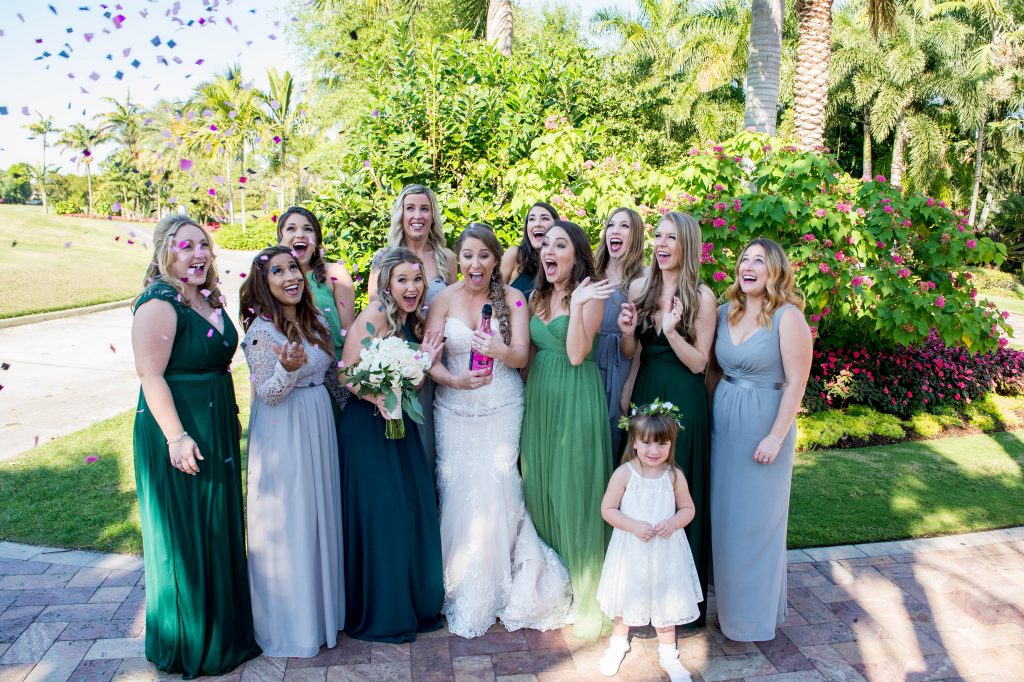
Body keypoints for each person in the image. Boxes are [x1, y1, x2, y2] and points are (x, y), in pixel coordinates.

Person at [426, 223, 572, 639]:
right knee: (456, 488)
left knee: (498, 485)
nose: (476, 263)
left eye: (484, 256)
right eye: (468, 255)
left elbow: (522, 353)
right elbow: (431, 359)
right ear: (459, 259)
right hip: (454, 409)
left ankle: (503, 585)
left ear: (495, 260)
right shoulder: (442, 300)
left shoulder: (515, 300)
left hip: (502, 406)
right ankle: (459, 583)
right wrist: (452, 381)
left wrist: (498, 350)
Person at [131, 214, 261, 678]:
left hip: (214, 426)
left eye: (203, 245)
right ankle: (189, 643)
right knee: (186, 536)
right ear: (166, 251)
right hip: (178, 428)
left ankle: (224, 633)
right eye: (187, 247)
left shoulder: (204, 297)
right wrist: (176, 436)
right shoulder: (159, 301)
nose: (199, 254)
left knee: (217, 528)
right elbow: (150, 375)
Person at [239, 246, 346, 657]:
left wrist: (363, 393)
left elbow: (333, 378)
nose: (291, 277)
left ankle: (323, 617)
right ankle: (292, 626)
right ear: (264, 284)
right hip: (283, 431)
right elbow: (267, 395)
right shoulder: (259, 333)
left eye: (294, 269)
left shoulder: (315, 320)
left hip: (319, 424)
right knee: (292, 521)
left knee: (320, 516)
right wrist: (286, 367)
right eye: (278, 272)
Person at [338, 247, 446, 643]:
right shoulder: (374, 317)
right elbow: (347, 374)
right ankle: (383, 611)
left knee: (408, 511)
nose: (413, 287)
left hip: (400, 428)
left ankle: (413, 604)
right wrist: (378, 398)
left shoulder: (412, 321)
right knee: (383, 515)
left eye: (417, 279)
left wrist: (424, 360)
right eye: (402, 279)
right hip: (368, 428)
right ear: (386, 283)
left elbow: (413, 383)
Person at [707, 238, 812, 642]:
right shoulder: (723, 312)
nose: (748, 267)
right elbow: (713, 372)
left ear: (775, 272)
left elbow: (797, 382)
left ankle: (749, 620)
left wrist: (775, 436)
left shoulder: (788, 318)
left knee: (755, 525)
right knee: (725, 522)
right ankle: (728, 608)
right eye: (744, 259)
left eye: (759, 261)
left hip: (764, 428)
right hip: (724, 424)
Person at [520, 220, 617, 642]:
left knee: (573, 491)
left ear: (576, 255)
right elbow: (526, 354)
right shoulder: (535, 295)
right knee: (540, 488)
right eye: (545, 245)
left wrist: (577, 304)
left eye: (560, 245)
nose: (549, 251)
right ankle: (553, 588)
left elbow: (577, 353)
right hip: (541, 399)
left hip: (576, 397)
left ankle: (586, 594)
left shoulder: (591, 294)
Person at [617, 211, 716, 626]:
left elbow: (700, 364)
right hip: (645, 392)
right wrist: (625, 333)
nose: (660, 243)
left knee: (675, 495)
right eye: (657, 235)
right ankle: (637, 602)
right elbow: (632, 353)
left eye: (670, 237)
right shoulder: (640, 287)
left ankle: (679, 608)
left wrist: (673, 331)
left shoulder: (702, 298)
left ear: (686, 245)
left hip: (684, 400)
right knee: (639, 493)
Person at [596, 405, 702, 681]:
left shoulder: (674, 475)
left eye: (662, 444)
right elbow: (607, 509)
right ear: (634, 441)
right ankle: (617, 646)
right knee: (626, 602)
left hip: (666, 551)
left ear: (671, 444)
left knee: (667, 605)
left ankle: (670, 656)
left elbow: (688, 509)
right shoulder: (625, 474)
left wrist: (673, 522)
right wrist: (632, 525)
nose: (653, 451)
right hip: (632, 552)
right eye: (646, 443)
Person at [369, 185, 456, 471]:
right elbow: (375, 312)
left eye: (424, 208)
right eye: (410, 208)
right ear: (401, 214)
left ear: (433, 216)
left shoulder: (447, 258)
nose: (417, 215)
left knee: (434, 447)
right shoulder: (384, 258)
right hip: (399, 363)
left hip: (438, 362)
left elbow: (456, 307)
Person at [593, 207, 647, 457]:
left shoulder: (643, 282)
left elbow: (636, 347)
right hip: (589, 362)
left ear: (635, 236)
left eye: (624, 226)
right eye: (611, 225)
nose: (615, 230)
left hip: (621, 367)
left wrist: (628, 387)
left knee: (615, 440)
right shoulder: (589, 275)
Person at [276, 207, 355, 360]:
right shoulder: (271, 279)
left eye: (308, 229)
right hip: (293, 372)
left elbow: (350, 331)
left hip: (335, 367)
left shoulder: (335, 273)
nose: (300, 234)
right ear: (281, 238)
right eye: (291, 229)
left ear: (317, 240)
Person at [501, 201, 560, 300]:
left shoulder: (562, 263)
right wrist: (519, 305)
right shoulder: (515, 255)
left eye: (545, 218)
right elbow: (493, 294)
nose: (537, 224)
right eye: (532, 219)